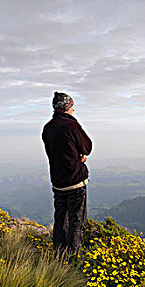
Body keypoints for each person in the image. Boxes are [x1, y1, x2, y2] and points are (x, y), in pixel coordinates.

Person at [42, 92, 92, 255]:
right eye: (72, 107)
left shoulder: (48, 128)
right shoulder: (71, 126)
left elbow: (59, 152)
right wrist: (80, 157)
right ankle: (73, 259)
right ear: (67, 108)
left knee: (60, 220)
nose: (74, 110)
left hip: (58, 181)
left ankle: (59, 255)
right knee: (76, 221)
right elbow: (87, 147)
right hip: (75, 180)